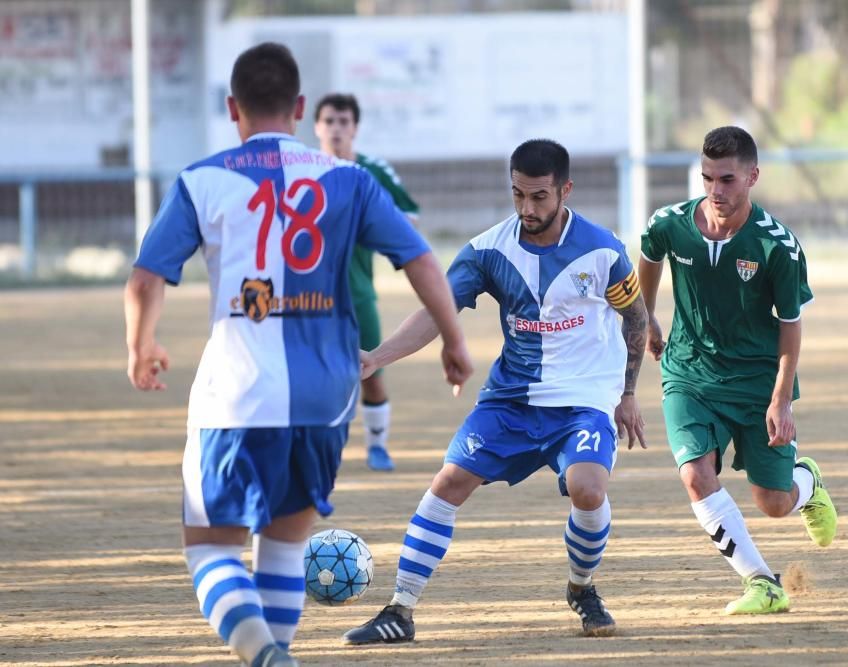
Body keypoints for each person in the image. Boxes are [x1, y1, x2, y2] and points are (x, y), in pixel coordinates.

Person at [123, 42, 472, 667]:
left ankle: (266, 656)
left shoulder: (202, 180)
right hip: (325, 394)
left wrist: (140, 344)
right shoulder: (348, 178)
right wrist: (452, 338)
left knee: (210, 548)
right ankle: (275, 654)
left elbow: (147, 278)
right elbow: (419, 258)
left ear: (234, 109)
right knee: (284, 547)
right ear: (301, 107)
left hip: (236, 391)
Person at [341, 139, 649, 644]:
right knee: (447, 484)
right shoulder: (488, 250)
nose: (528, 209)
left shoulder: (602, 250)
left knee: (588, 489)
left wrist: (629, 394)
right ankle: (399, 611)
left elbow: (636, 318)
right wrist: (377, 357)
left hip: (584, 400)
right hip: (512, 400)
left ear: (565, 191)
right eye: (518, 195)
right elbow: (437, 310)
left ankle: (582, 588)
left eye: (540, 197)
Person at [637, 126, 837, 615]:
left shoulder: (778, 247)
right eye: (707, 178)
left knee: (773, 501)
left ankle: (805, 482)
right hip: (687, 372)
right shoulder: (670, 223)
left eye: (727, 179)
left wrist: (781, 399)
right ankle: (763, 584)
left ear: (752, 176)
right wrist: (647, 318)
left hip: (756, 381)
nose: (716, 191)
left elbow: (791, 328)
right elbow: (646, 258)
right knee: (695, 473)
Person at [314, 93, 420, 472]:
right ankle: (319, 449)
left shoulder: (373, 171)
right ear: (316, 127)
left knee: (370, 368)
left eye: (344, 121)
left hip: (357, 291)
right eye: (329, 121)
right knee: (313, 375)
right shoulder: (303, 170)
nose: (336, 128)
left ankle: (377, 446)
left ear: (355, 127)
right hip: (308, 294)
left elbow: (411, 218)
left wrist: (373, 222)